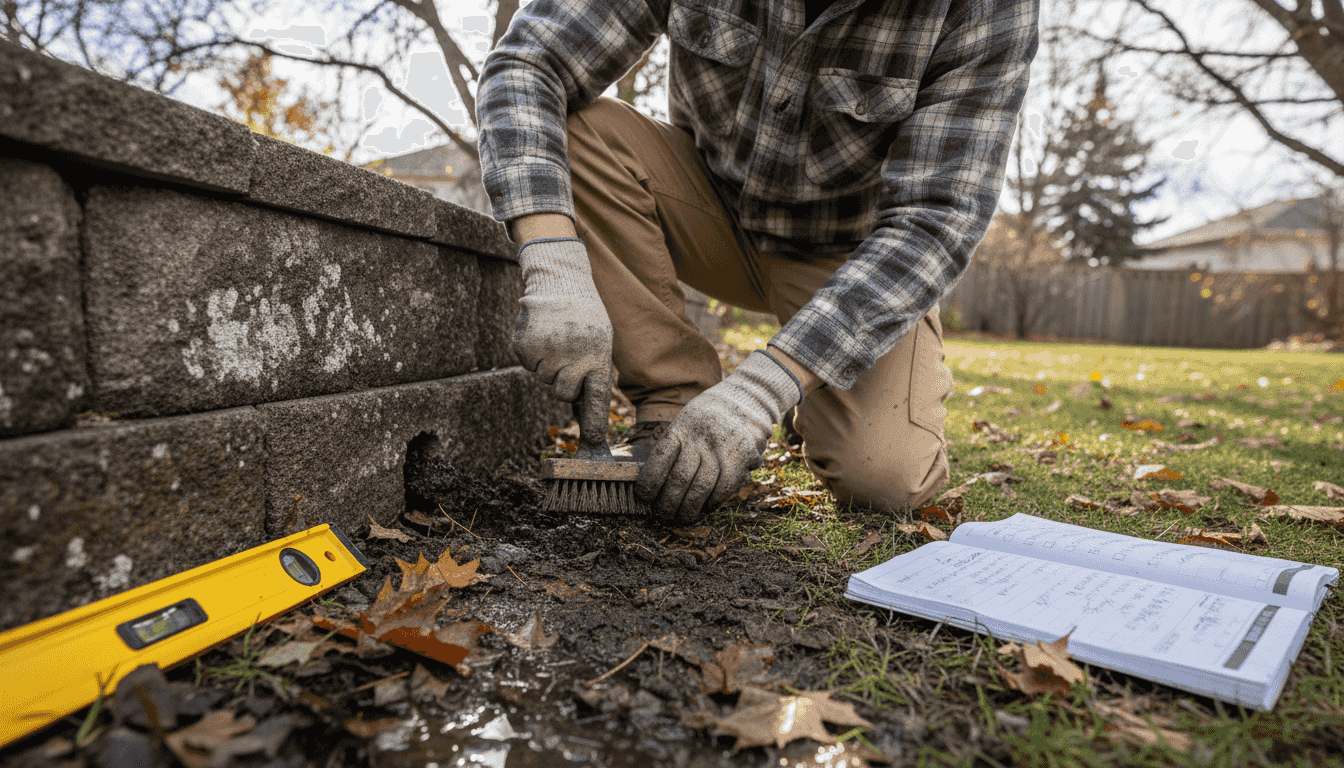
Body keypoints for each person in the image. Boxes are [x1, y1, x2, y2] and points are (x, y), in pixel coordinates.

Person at [476, 0, 1039, 524]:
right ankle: (673, 404)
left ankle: (801, 388)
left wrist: (762, 390)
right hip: (704, 214)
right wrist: (555, 263)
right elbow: (528, 64)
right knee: (582, 129)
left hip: (849, 262)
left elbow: (935, 221)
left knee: (885, 481)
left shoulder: (984, 10)